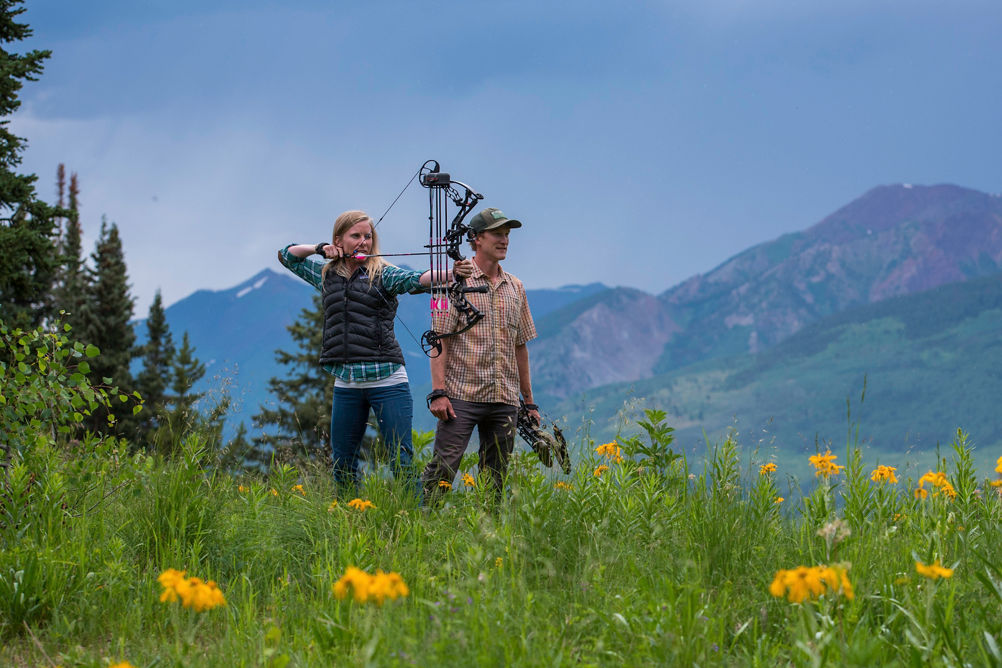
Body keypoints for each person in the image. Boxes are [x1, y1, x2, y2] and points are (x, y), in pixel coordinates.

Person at [278, 209, 472, 487]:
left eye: (368, 236)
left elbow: (416, 279)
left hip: (387, 380)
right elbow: (287, 255)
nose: (363, 242)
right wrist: (320, 249)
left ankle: (415, 522)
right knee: (343, 463)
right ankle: (348, 522)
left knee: (400, 462)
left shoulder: (382, 274)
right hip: (346, 384)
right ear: (338, 239)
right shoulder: (326, 275)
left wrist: (451, 273)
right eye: (355, 235)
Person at [421, 207, 538, 500]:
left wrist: (529, 402)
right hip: (461, 396)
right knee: (442, 471)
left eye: (507, 234)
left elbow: (520, 345)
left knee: (495, 480)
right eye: (497, 233)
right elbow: (438, 340)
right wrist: (438, 393)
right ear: (476, 238)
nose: (505, 240)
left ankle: (488, 538)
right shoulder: (452, 281)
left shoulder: (517, 287)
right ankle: (423, 528)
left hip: (504, 399)